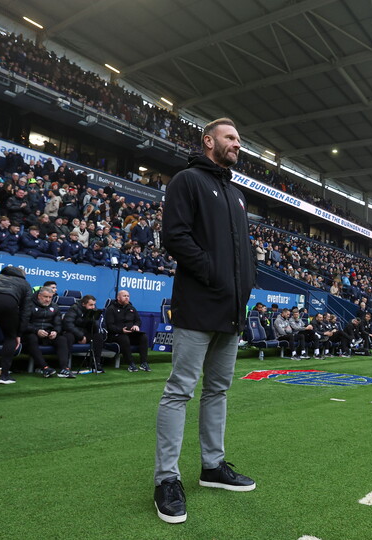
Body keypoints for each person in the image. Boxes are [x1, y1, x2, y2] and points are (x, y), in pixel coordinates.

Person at [155, 118, 256, 525]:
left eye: (239, 138)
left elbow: (242, 252)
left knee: (218, 390)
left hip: (230, 311)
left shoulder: (234, 192)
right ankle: (166, 479)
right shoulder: (187, 180)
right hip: (198, 304)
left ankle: (212, 467)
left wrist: (242, 288)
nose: (237, 144)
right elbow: (175, 237)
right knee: (180, 390)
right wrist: (214, 274)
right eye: (231, 137)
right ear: (209, 140)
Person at [21, 286, 73, 378]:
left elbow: (58, 324)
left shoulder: (54, 306)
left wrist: (55, 331)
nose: (48, 300)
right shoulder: (29, 305)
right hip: (31, 333)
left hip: (48, 334)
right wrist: (36, 330)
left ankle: (64, 368)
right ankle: (44, 367)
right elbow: (24, 323)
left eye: (50, 297)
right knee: (31, 338)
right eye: (45, 297)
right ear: (39, 296)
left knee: (62, 339)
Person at [105, 289, 150, 372]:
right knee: (124, 338)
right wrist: (121, 330)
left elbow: (138, 320)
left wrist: (136, 325)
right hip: (116, 334)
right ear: (118, 297)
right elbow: (110, 326)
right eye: (124, 296)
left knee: (143, 337)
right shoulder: (111, 309)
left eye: (128, 296)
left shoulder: (131, 308)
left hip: (130, 333)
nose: (127, 298)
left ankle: (144, 363)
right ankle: (131, 364)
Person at [61, 295, 106, 373]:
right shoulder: (74, 308)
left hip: (85, 333)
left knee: (98, 336)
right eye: (91, 305)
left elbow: (95, 329)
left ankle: (96, 363)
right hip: (73, 333)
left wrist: (93, 319)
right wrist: (81, 336)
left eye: (94, 305)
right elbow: (68, 324)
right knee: (68, 337)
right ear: (83, 304)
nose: (93, 307)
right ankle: (65, 365)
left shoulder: (93, 310)